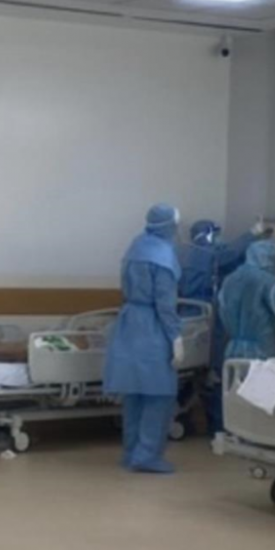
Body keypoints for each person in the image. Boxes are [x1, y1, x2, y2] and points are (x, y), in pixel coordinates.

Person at [103, 203, 184, 474]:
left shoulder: (135, 248)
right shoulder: (163, 256)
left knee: (134, 395)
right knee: (158, 394)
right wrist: (176, 337)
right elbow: (165, 304)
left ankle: (131, 452)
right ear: (170, 226)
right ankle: (147, 455)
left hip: (129, 324)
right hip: (152, 328)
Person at [178, 220, 261, 437]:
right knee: (212, 375)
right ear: (208, 234)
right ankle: (218, 429)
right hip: (202, 318)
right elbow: (228, 254)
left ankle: (194, 420)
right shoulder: (204, 253)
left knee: (191, 376)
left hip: (187, 316)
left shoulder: (185, 254)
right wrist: (251, 234)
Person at [218, 240, 275, 362]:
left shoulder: (230, 279)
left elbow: (222, 309)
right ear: (270, 259)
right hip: (262, 351)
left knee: (238, 374)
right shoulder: (268, 282)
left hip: (234, 350)